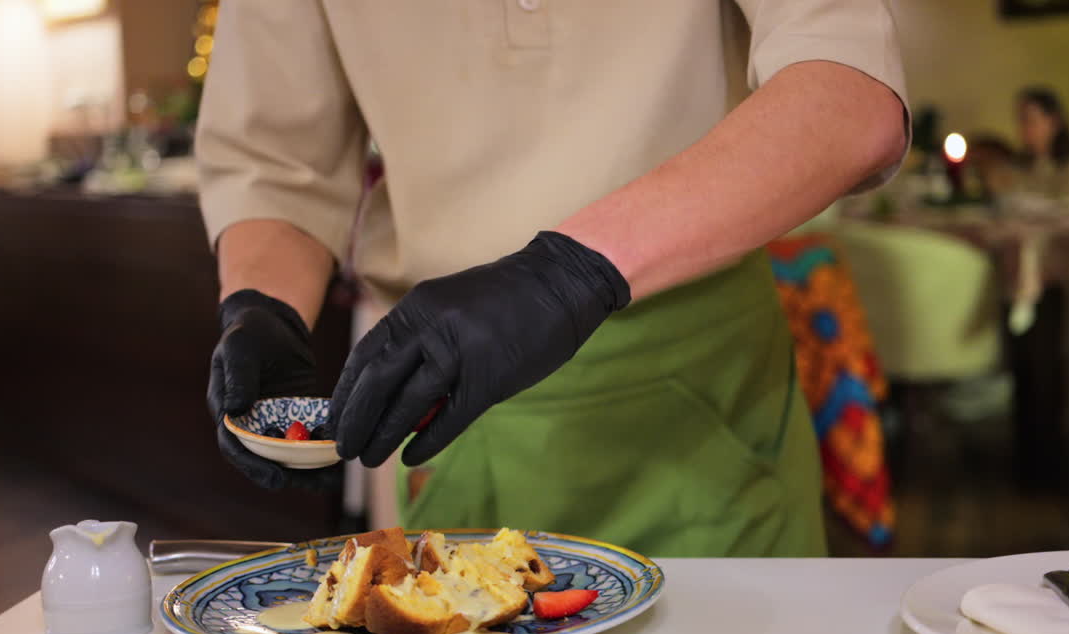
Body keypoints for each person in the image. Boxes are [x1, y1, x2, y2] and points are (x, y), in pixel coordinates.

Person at [200, 2, 908, 557]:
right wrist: (264, 306)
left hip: (707, 402)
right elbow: (275, 158)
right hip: (448, 409)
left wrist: (570, 274)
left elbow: (848, 89)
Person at [1013, 87, 1069, 197]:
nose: (1022, 129)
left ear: (1054, 122)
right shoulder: (1021, 166)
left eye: (1029, 120)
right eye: (1019, 121)